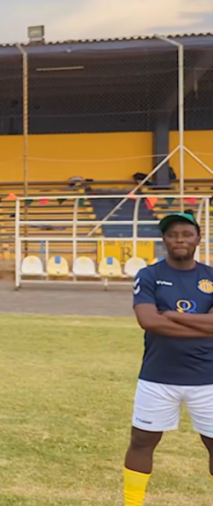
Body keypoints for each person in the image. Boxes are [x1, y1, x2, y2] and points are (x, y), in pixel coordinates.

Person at [123, 212, 213, 506]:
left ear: (198, 238)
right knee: (142, 442)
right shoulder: (148, 275)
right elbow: (148, 320)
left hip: (207, 378)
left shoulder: (211, 277)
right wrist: (201, 327)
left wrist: (172, 315)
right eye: (173, 234)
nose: (179, 240)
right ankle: (132, 503)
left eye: (186, 234)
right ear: (164, 239)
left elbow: (162, 319)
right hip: (157, 376)